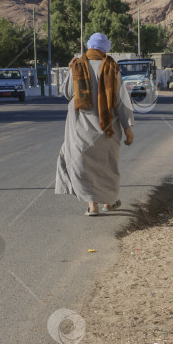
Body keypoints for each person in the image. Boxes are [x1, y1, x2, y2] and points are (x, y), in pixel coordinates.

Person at [55, 33, 134, 216]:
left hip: (80, 130)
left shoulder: (77, 65)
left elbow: (67, 93)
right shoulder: (112, 67)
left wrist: (70, 71)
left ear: (89, 46)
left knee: (83, 165)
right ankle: (109, 202)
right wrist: (128, 128)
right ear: (105, 48)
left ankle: (92, 206)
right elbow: (122, 101)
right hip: (108, 128)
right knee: (107, 165)